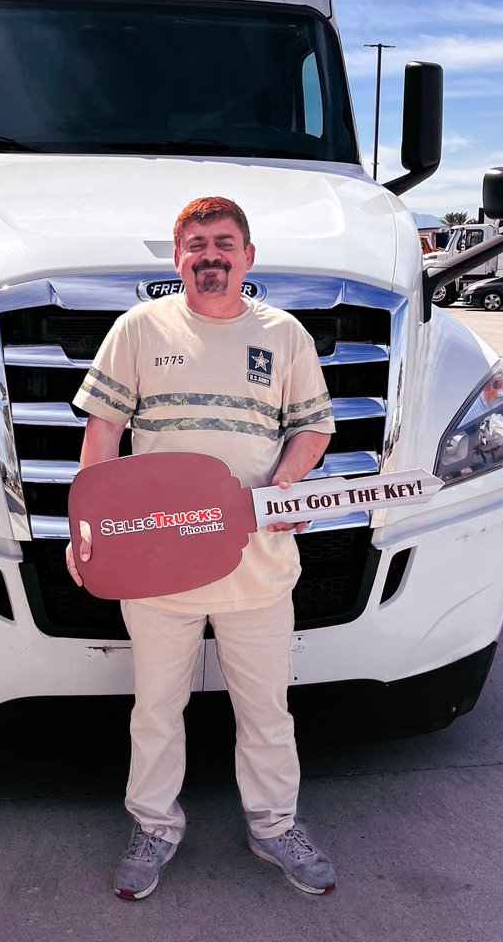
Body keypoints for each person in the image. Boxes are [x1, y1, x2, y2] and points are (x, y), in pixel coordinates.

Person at [66, 196, 337, 899]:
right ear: (178, 255)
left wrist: (285, 482)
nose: (210, 254)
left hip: (259, 567)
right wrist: (86, 528)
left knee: (267, 712)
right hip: (158, 567)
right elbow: (102, 435)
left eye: (224, 242)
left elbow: (313, 428)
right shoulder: (137, 328)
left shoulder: (286, 336)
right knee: (156, 710)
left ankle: (275, 826)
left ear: (248, 255)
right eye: (195, 243)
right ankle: (154, 825)